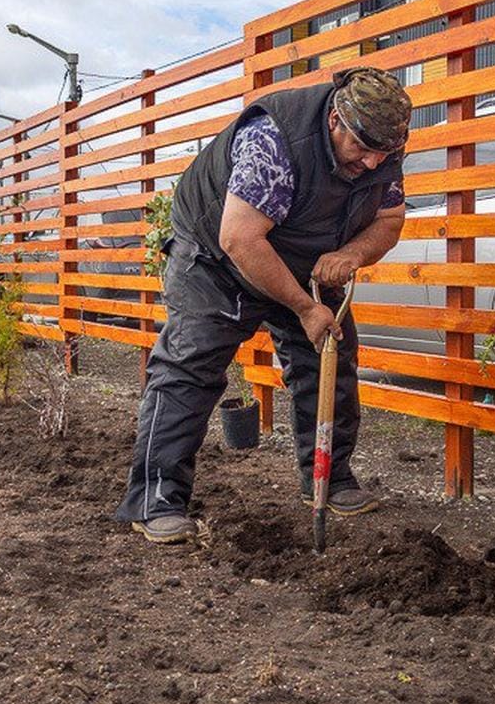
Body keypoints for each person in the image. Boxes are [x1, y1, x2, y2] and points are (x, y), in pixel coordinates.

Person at [115, 66, 412, 543]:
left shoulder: (383, 152)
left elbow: (390, 220)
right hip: (216, 256)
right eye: (362, 147)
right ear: (334, 120)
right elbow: (240, 238)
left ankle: (329, 479)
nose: (374, 162)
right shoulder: (274, 140)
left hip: (302, 256)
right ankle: (157, 498)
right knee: (190, 367)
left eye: (385, 152)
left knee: (330, 357)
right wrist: (305, 308)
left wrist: (351, 254)